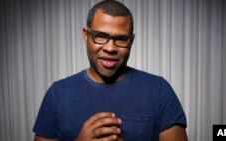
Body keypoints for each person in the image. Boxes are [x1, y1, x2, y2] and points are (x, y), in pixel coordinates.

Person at [33, 0, 188, 141]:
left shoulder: (159, 90)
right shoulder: (57, 94)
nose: (110, 48)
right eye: (101, 36)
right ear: (86, 35)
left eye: (120, 39)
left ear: (131, 42)